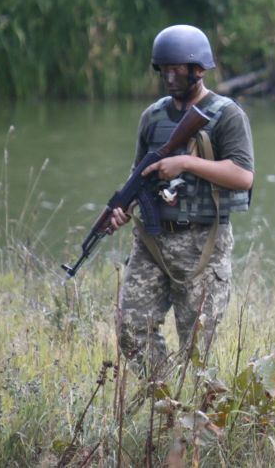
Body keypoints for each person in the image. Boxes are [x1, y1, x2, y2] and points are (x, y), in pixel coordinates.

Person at [108, 24, 255, 378]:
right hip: (153, 241)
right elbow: (138, 174)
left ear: (199, 70)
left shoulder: (226, 114)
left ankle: (194, 413)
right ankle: (163, 398)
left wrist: (186, 162)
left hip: (202, 241)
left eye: (177, 69)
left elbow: (243, 176)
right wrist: (122, 208)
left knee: (196, 350)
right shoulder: (153, 116)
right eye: (164, 69)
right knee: (131, 329)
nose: (170, 76)